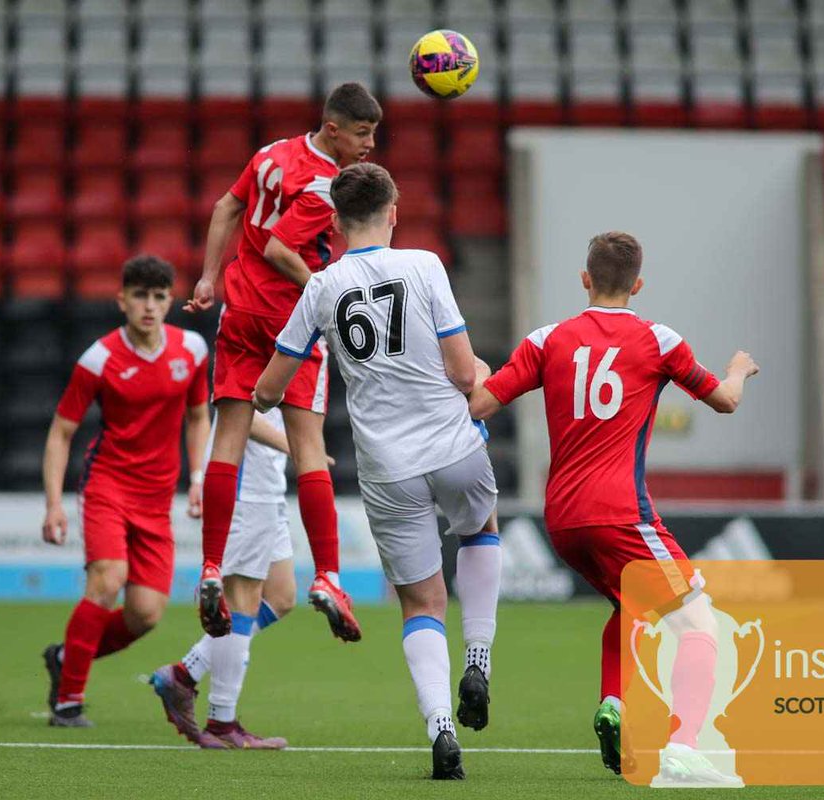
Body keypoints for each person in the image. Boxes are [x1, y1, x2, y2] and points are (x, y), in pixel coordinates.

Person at [467, 232, 759, 786]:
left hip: (562, 520)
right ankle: (684, 748)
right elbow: (725, 401)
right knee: (699, 620)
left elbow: (479, 404)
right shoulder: (659, 340)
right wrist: (739, 369)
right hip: (621, 513)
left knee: (629, 608)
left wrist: (478, 370)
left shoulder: (546, 340)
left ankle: (614, 705)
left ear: (585, 279)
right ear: (638, 285)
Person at [253, 163, 502, 780]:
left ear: (336, 223)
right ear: (394, 212)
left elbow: (267, 391)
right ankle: (479, 658)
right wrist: (480, 373)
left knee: (421, 601)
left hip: (387, 466)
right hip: (452, 445)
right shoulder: (424, 265)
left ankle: (441, 728)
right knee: (480, 528)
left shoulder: (322, 286)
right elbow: (463, 372)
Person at [184, 82, 382, 642]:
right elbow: (279, 248)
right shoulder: (324, 184)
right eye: (362, 134)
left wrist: (207, 276)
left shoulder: (272, 152)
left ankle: (210, 565)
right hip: (288, 324)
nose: (370, 145)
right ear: (333, 129)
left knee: (228, 439)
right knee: (310, 449)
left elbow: (226, 207)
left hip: (238, 311)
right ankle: (328, 576)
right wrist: (324, 287)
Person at [40, 255, 211, 728]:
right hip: (108, 485)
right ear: (122, 301)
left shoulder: (192, 350)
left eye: (158, 297)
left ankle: (65, 658)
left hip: (157, 498)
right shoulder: (98, 359)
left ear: (170, 301)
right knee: (108, 578)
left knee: (145, 614)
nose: (149, 306)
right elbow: (60, 433)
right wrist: (53, 504)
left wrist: (198, 478)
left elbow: (198, 417)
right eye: (140, 296)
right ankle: (68, 702)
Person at [150, 408, 299, 750]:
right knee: (242, 601)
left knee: (282, 596)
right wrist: (298, 446)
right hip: (245, 488)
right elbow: (239, 410)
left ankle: (184, 674)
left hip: (269, 486)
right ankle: (221, 720)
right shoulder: (262, 365)